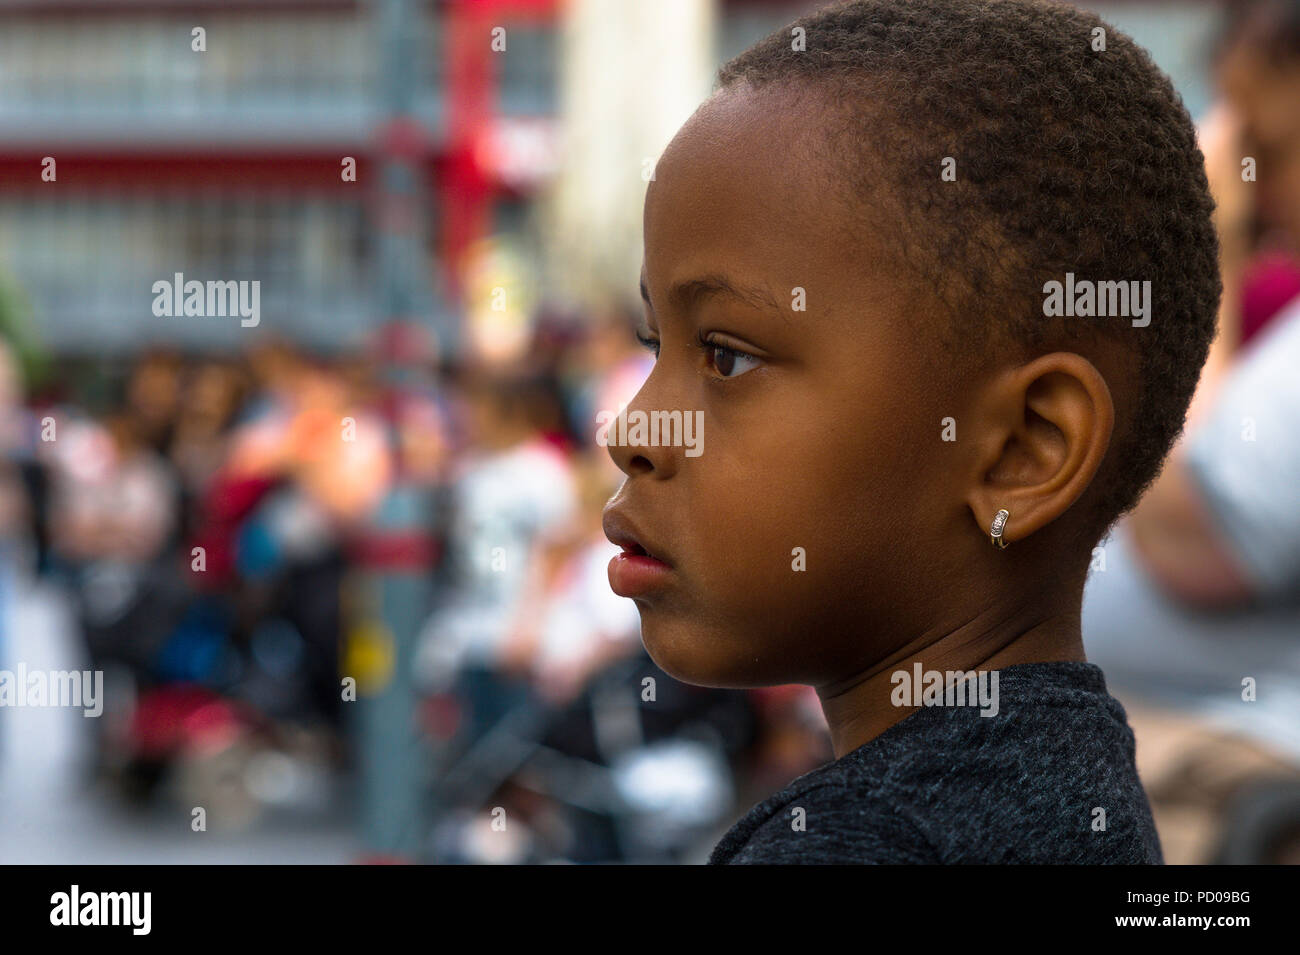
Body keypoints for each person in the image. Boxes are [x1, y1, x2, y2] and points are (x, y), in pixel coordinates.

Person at [602, 0, 1223, 863]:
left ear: (1022, 451)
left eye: (728, 357)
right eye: (651, 343)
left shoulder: (861, 846)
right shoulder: (1074, 790)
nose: (633, 429)